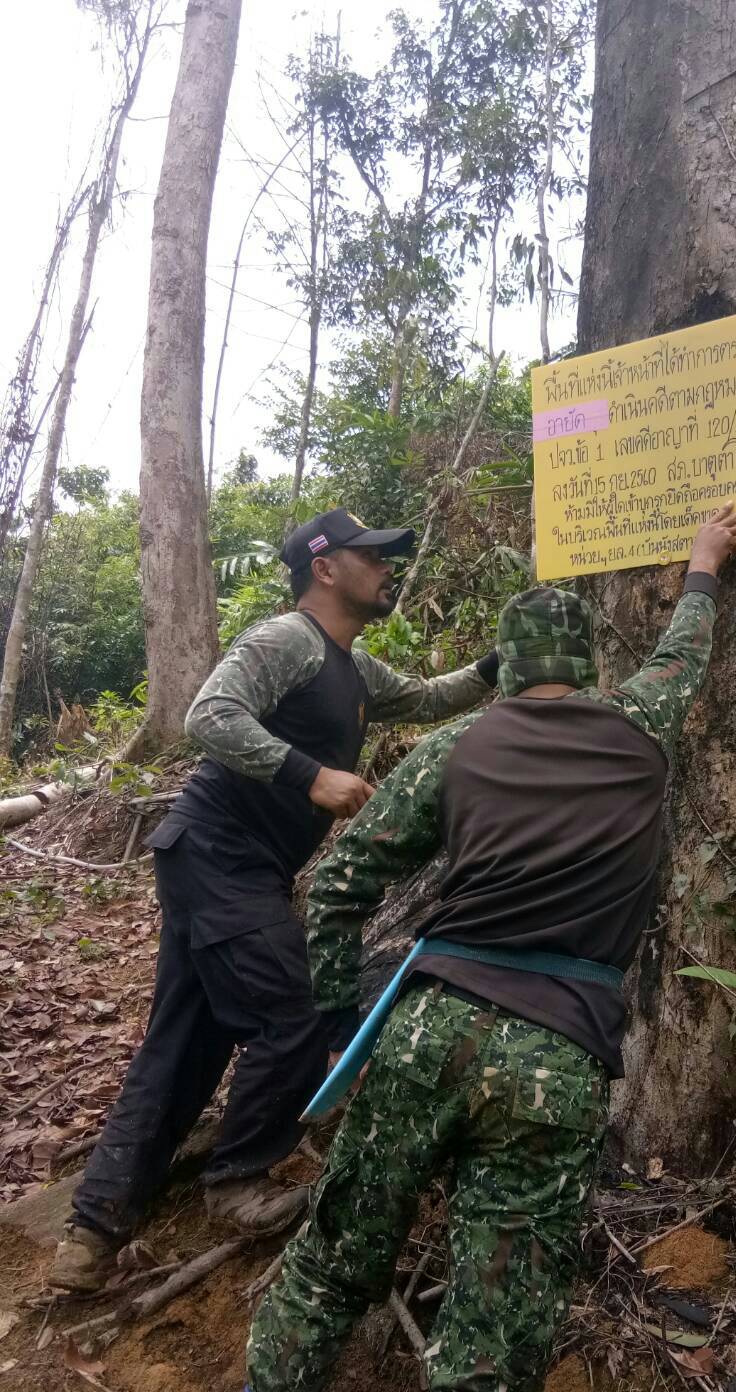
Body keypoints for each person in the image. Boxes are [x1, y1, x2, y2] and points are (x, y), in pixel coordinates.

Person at [197, 500, 736, 1392]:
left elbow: (341, 881)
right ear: (586, 662)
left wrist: (337, 1023)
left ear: (506, 667)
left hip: (426, 1030)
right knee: (496, 1328)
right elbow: (683, 652)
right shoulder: (640, 724)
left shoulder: (454, 745)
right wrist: (705, 562)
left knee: (331, 1264)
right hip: (558, 1055)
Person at [51, 509, 500, 1293]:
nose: (388, 567)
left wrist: (503, 661)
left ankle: (92, 1232)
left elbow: (432, 696)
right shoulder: (288, 639)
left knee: (186, 1038)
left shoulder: (353, 669)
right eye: (372, 556)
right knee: (294, 1011)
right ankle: (236, 1179)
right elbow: (208, 715)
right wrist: (311, 774)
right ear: (324, 568)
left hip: (226, 863)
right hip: (218, 852)